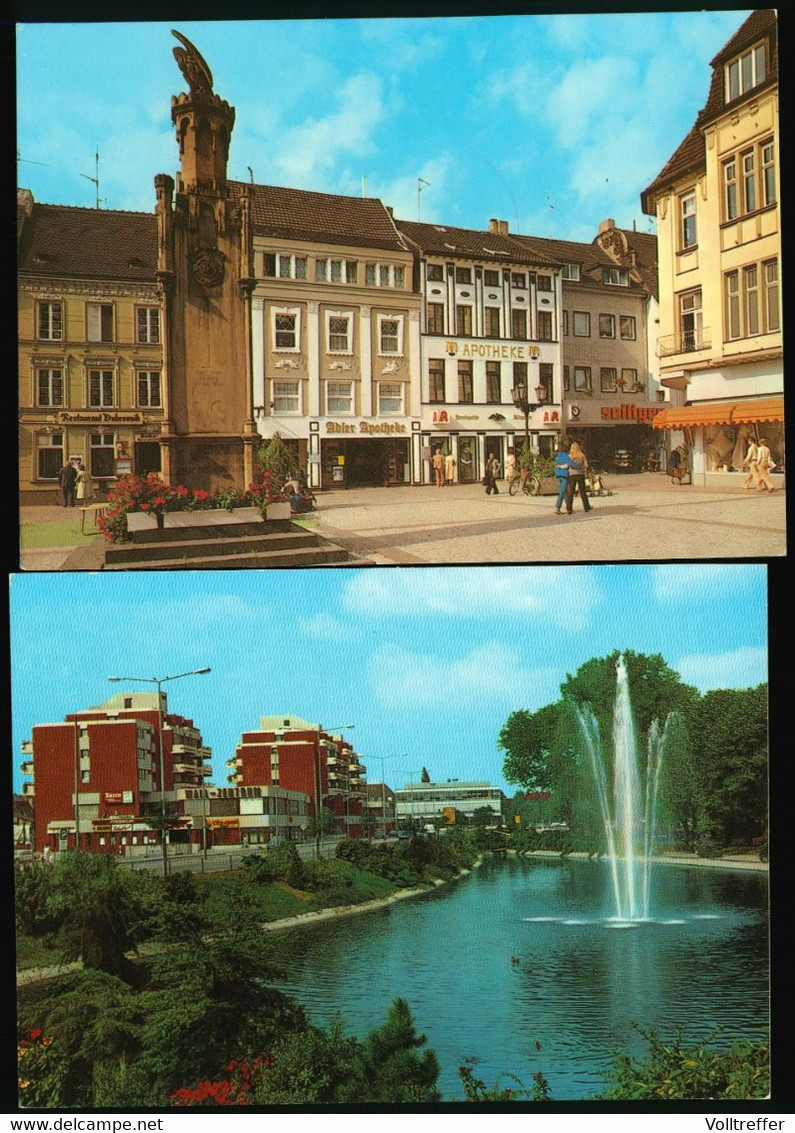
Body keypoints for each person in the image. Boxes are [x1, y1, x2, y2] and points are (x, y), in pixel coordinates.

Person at [566, 441, 592, 514]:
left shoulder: (569, 456)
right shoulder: (582, 455)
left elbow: (567, 466)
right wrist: (584, 470)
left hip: (572, 475)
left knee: (571, 492)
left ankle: (569, 509)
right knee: (582, 491)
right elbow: (586, 465)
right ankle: (586, 507)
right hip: (580, 475)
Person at [553, 441, 572, 514]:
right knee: (562, 491)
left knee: (565, 491)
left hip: (558, 474)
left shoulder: (558, 456)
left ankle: (568, 507)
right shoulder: (566, 455)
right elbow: (567, 465)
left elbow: (556, 464)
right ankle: (557, 507)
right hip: (564, 474)